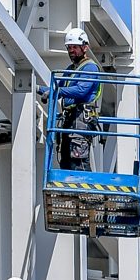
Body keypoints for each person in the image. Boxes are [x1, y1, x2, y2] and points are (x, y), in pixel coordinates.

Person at [51, 25, 101, 171]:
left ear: (85, 47)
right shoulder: (71, 69)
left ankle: (87, 192)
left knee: (78, 159)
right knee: (66, 159)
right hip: (70, 119)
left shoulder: (90, 68)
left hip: (81, 119)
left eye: (75, 47)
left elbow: (81, 91)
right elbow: (56, 88)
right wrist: (38, 89)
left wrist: (58, 92)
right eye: (69, 47)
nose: (71, 50)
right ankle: (70, 192)